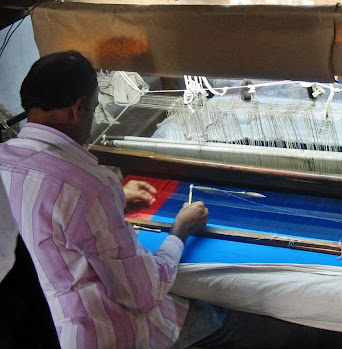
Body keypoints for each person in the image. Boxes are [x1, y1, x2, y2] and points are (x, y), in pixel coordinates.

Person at [0, 51, 316, 349]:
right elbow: (141, 294)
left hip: (57, 328)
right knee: (245, 326)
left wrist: (116, 198)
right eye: (95, 109)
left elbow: (42, 209)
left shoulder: (6, 160)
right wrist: (179, 231)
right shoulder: (87, 187)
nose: (93, 119)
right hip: (115, 331)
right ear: (76, 108)